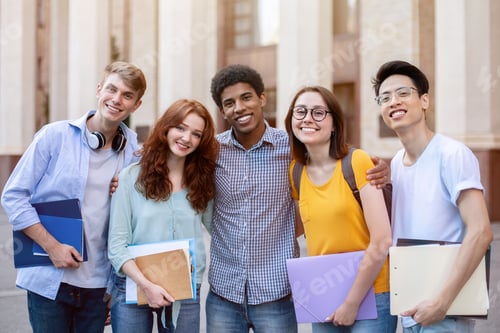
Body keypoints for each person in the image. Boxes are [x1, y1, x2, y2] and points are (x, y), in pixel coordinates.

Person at [206, 64, 390, 333]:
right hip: (226, 292)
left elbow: (378, 236)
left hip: (277, 293)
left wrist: (383, 169)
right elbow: (175, 157)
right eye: (229, 103)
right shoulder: (212, 152)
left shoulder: (292, 152)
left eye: (246, 97)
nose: (240, 107)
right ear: (222, 111)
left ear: (262, 98)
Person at [0, 61, 146, 332]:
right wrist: (52, 247)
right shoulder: (54, 136)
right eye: (112, 90)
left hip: (99, 286)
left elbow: (135, 219)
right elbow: (13, 196)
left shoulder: (133, 152)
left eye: (127, 96)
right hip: (49, 279)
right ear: (99, 90)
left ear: (136, 105)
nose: (117, 100)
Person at [372, 60, 493, 332]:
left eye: (403, 93)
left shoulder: (452, 154)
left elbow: (481, 232)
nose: (394, 102)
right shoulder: (396, 163)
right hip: (411, 307)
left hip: (445, 311)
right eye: (385, 97)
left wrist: (442, 302)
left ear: (424, 100)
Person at [284, 85, 397, 333]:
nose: (307, 119)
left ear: (334, 123)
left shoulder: (357, 162)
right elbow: (299, 228)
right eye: (300, 112)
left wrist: (351, 303)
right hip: (323, 293)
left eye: (318, 112)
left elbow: (382, 240)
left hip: (372, 293)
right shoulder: (296, 172)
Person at [107, 99, 217, 333]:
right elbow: (116, 246)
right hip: (135, 283)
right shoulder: (130, 178)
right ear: (166, 128)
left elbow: (221, 228)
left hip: (185, 286)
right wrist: (146, 285)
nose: (187, 138)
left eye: (196, 134)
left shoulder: (201, 183)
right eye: (181, 128)